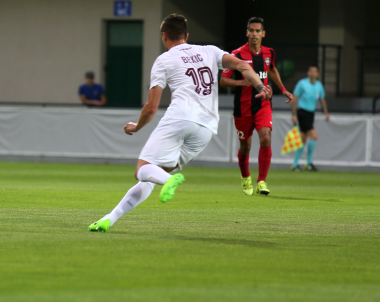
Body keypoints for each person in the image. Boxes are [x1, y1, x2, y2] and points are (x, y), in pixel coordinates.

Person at [88, 14, 271, 232]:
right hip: (206, 128)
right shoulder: (209, 51)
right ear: (187, 35)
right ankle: (110, 218)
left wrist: (137, 126)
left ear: (164, 36)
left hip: (180, 119)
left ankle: (168, 181)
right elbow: (242, 64)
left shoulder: (164, 60)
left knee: (142, 169)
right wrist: (261, 86)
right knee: (150, 175)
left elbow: (151, 107)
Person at [220, 17, 293, 196]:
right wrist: (241, 83)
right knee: (245, 147)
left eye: (257, 31)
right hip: (243, 108)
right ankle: (245, 176)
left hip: (263, 105)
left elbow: (272, 70)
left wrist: (282, 89)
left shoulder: (269, 53)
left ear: (263, 34)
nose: (254, 34)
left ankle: (262, 181)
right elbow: (223, 81)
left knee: (266, 137)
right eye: (251, 31)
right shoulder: (236, 55)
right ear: (247, 33)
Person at [291, 66, 330, 171]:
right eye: (311, 71)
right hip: (302, 112)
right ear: (308, 73)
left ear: (317, 74)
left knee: (303, 138)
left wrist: (326, 112)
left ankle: (295, 165)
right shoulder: (302, 84)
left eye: (315, 72)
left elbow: (322, 99)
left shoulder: (319, 85)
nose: (312, 73)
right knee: (314, 136)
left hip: (311, 114)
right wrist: (294, 114)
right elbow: (294, 99)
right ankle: (309, 163)